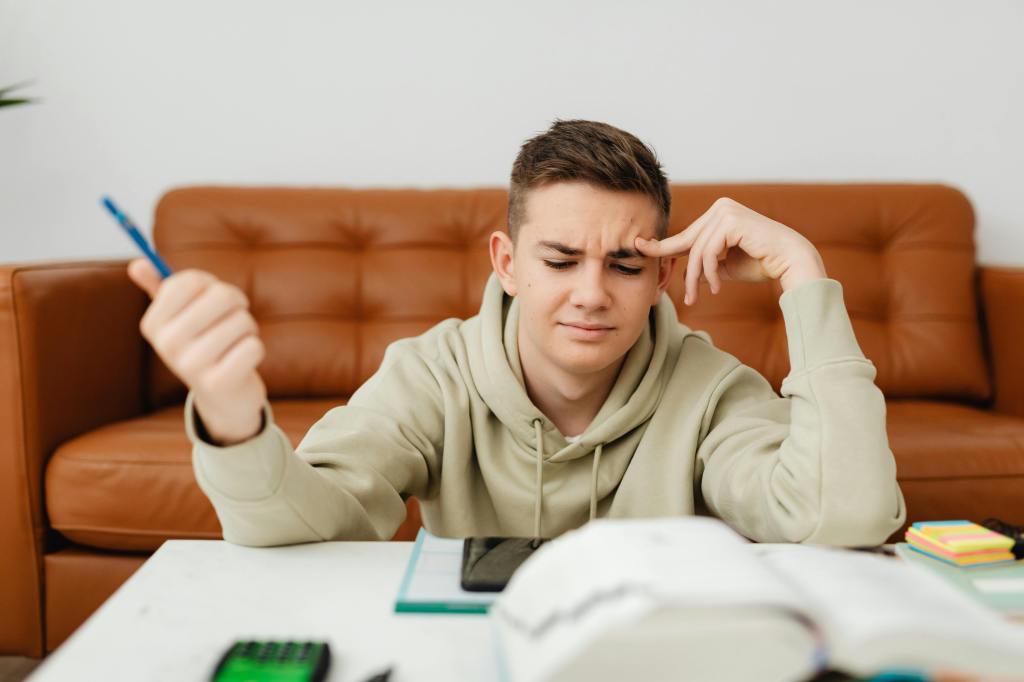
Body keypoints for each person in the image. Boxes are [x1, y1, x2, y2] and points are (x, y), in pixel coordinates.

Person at [127, 119, 906, 547]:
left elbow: (843, 517)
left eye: (627, 266)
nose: (591, 295)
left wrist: (803, 274)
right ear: (507, 262)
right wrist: (231, 413)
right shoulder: (432, 373)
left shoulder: (710, 388)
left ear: (663, 277)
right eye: (560, 260)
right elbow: (307, 527)